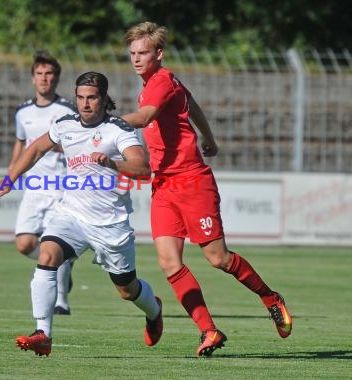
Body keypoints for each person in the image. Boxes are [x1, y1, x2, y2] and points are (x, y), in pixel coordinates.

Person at [121, 21, 292, 357]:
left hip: (192, 181)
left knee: (218, 258)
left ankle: (271, 298)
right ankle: (209, 331)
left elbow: (144, 117)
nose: (137, 59)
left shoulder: (161, 81)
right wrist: (208, 137)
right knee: (169, 263)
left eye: (143, 53)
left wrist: (102, 121)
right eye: (132, 53)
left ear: (159, 54)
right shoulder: (158, 84)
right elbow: (192, 105)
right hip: (164, 185)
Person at [0, 72, 163, 356]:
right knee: (47, 255)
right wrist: (9, 178)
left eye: (92, 97)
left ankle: (154, 310)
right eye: (80, 97)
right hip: (71, 213)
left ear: (104, 99)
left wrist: (112, 163)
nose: (85, 103)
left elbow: (142, 168)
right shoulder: (65, 124)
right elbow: (35, 149)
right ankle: (43, 333)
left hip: (110, 223)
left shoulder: (118, 129)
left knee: (127, 290)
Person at [8, 51, 78, 315]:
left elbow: (76, 142)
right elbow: (21, 143)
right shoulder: (23, 111)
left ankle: (62, 300)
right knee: (24, 244)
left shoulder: (67, 110)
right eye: (39, 73)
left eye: (49, 74)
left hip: (61, 188)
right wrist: (12, 171)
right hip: (34, 189)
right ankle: (64, 266)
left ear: (56, 78)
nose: (44, 78)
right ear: (32, 78)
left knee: (53, 242)